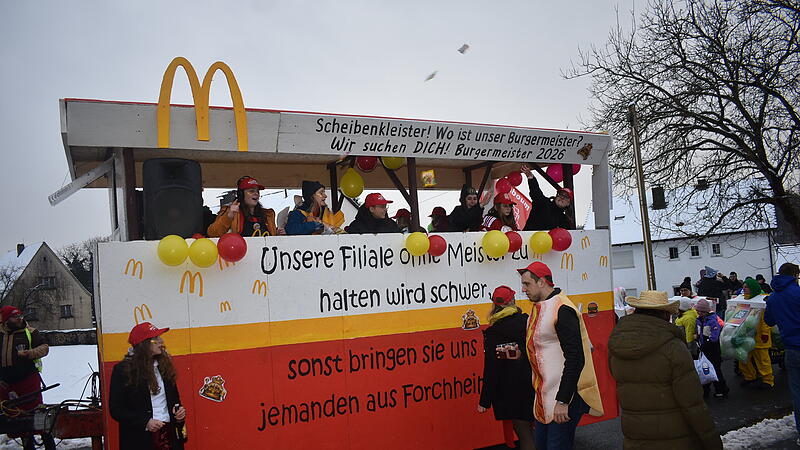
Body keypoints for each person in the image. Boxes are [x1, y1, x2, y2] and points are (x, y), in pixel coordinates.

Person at [608, 291, 722, 449]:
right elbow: (692, 404)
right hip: (674, 437)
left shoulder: (617, 345)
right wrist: (712, 441)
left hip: (635, 435)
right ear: (664, 314)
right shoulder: (673, 348)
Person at [517, 262, 603, 449]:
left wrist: (563, 400)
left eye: (527, 284)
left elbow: (575, 358)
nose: (523, 289)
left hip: (563, 397)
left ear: (541, 282)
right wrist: (520, 354)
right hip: (544, 397)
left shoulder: (562, 308)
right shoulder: (539, 307)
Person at [110, 322, 187, 450]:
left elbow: (175, 400)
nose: (161, 341)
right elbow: (116, 409)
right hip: (140, 439)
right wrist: (145, 422)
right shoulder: (123, 370)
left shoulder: (164, 366)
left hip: (169, 436)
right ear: (143, 344)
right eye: (155, 339)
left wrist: (179, 413)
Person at [477, 286, 535, 450]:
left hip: (512, 394)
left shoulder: (494, 332)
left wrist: (484, 401)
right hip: (535, 385)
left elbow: (492, 369)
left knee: (525, 435)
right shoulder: (527, 321)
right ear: (512, 301)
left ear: (495, 305)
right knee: (538, 434)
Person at [0, 306, 55, 450]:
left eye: (20, 316)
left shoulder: (30, 332)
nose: (19, 319)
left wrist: (30, 353)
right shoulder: (1, 334)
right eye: (14, 317)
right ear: (6, 320)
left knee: (36, 413)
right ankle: (27, 443)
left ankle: (48, 441)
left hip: (28, 381)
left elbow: (44, 348)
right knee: (14, 416)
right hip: (6, 384)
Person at [764, 263, 800, 439]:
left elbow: (769, 321)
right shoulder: (797, 292)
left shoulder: (773, 297)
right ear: (794, 275)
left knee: (797, 393)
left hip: (791, 349)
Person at [208, 176, 278, 237]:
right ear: (241, 194)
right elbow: (212, 233)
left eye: (257, 191)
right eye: (251, 191)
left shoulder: (267, 214)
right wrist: (229, 216)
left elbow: (272, 237)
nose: (256, 193)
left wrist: (278, 234)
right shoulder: (230, 212)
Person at [738, 278, 774, 389]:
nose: (744, 289)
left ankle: (768, 380)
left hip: (760, 336)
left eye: (747, 287)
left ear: (753, 288)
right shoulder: (741, 300)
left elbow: (766, 319)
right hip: (745, 335)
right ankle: (750, 377)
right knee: (743, 358)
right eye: (743, 287)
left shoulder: (762, 301)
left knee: (762, 360)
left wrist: (764, 333)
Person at [520, 164, 573, 230]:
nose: (562, 197)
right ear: (556, 196)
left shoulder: (564, 220)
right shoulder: (544, 203)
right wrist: (531, 177)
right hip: (529, 236)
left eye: (566, 197)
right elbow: (536, 192)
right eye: (560, 194)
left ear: (568, 203)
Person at [695, 298, 729, 398]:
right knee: (705, 369)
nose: (699, 313)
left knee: (715, 370)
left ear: (706, 311)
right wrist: (697, 338)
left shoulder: (712, 321)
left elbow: (714, 336)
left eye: (701, 311)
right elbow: (699, 332)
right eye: (698, 311)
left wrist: (707, 342)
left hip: (713, 349)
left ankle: (721, 389)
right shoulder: (699, 320)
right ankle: (705, 390)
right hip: (704, 348)